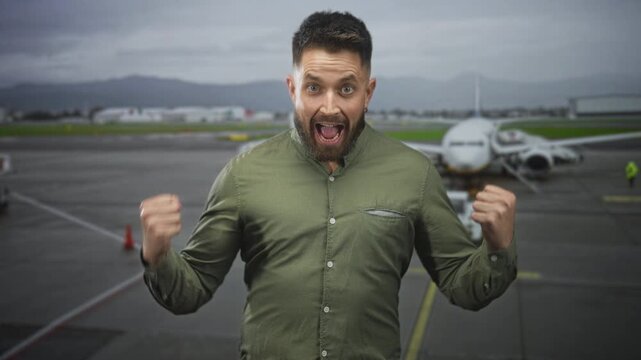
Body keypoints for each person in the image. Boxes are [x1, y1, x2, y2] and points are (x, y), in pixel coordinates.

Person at [139, 11, 517, 359]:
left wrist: (497, 248)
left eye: (347, 89)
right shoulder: (243, 175)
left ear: (368, 93)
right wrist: (157, 256)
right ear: (292, 89)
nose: (330, 107)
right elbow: (190, 292)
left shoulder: (414, 174)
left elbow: (462, 286)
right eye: (314, 88)